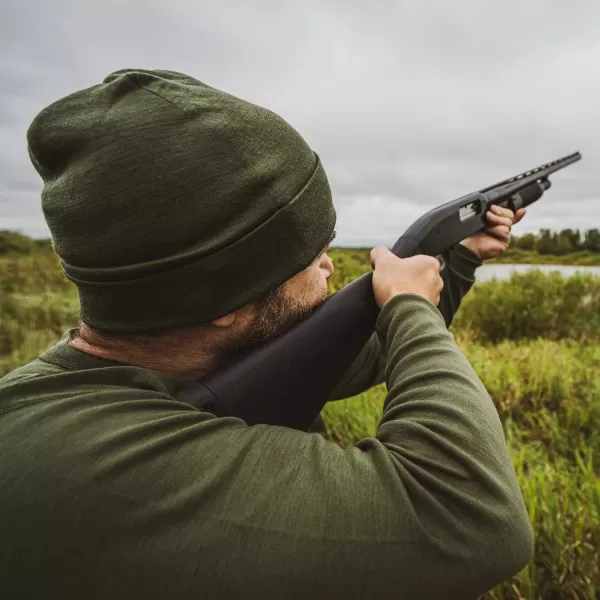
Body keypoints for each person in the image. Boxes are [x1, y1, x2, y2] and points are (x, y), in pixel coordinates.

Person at [0, 69, 532, 599]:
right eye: (311, 251)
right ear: (224, 299)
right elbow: (471, 520)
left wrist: (459, 261)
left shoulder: (194, 354)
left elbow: (364, 358)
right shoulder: (87, 469)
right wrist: (410, 303)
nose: (328, 265)